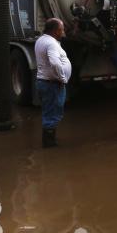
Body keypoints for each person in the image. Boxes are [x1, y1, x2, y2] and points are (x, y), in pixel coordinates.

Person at [34, 18, 72, 148]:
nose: (63, 31)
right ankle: (49, 144)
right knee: (52, 113)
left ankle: (49, 141)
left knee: (49, 112)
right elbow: (55, 62)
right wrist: (62, 78)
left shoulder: (41, 40)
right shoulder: (51, 44)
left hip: (45, 82)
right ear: (56, 31)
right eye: (62, 29)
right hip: (52, 85)